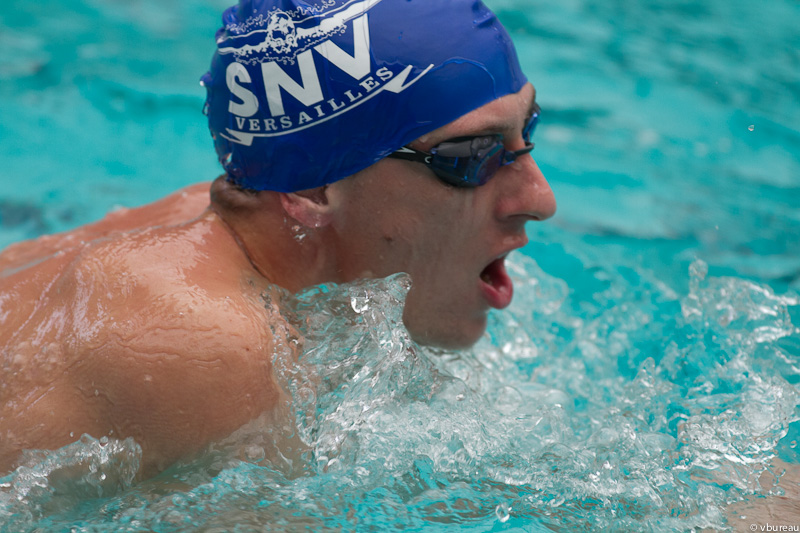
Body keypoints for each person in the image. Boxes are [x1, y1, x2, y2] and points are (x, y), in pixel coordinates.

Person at [0, 0, 555, 477]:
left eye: (526, 128)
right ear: (312, 189)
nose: (540, 199)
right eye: (471, 157)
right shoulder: (201, 339)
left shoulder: (218, 223)